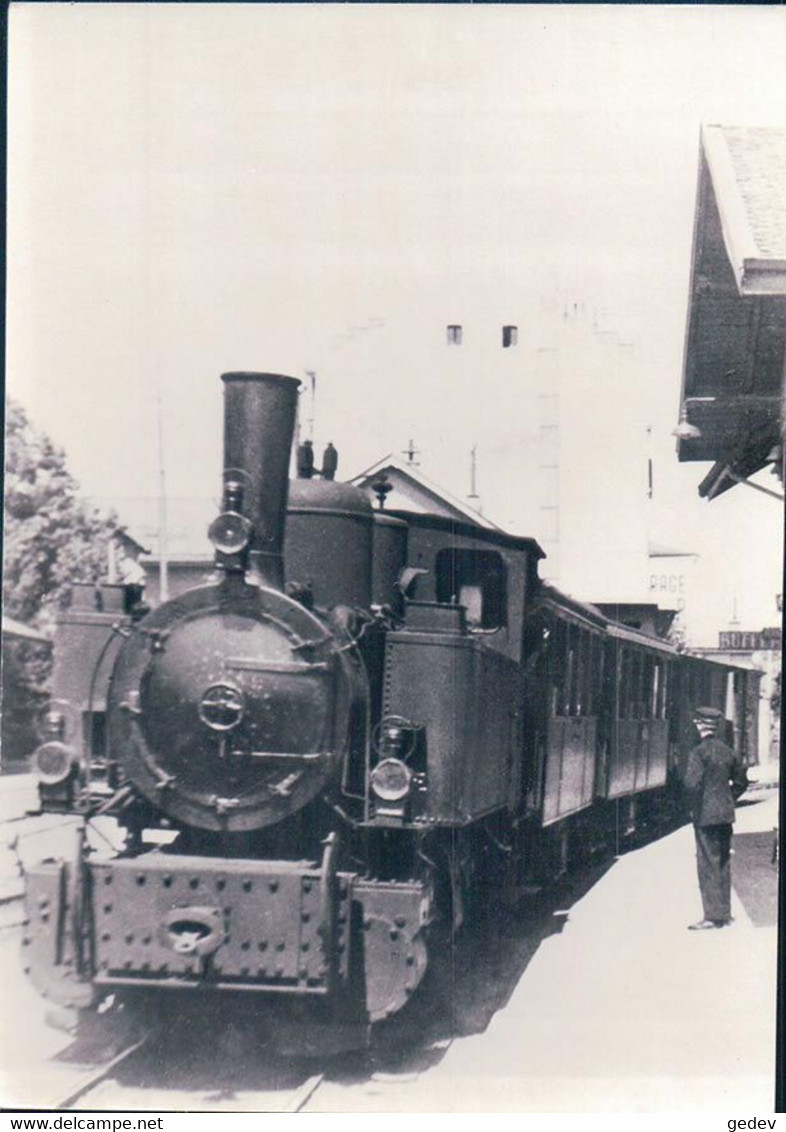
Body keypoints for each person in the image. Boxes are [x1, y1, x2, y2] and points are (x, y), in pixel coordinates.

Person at [683, 705, 748, 930]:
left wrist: (694, 805)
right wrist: (728, 798)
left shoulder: (698, 752)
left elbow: (692, 784)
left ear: (700, 725)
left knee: (707, 864)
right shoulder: (728, 751)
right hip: (725, 815)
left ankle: (712, 916)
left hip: (705, 816)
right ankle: (724, 913)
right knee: (723, 862)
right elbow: (741, 782)